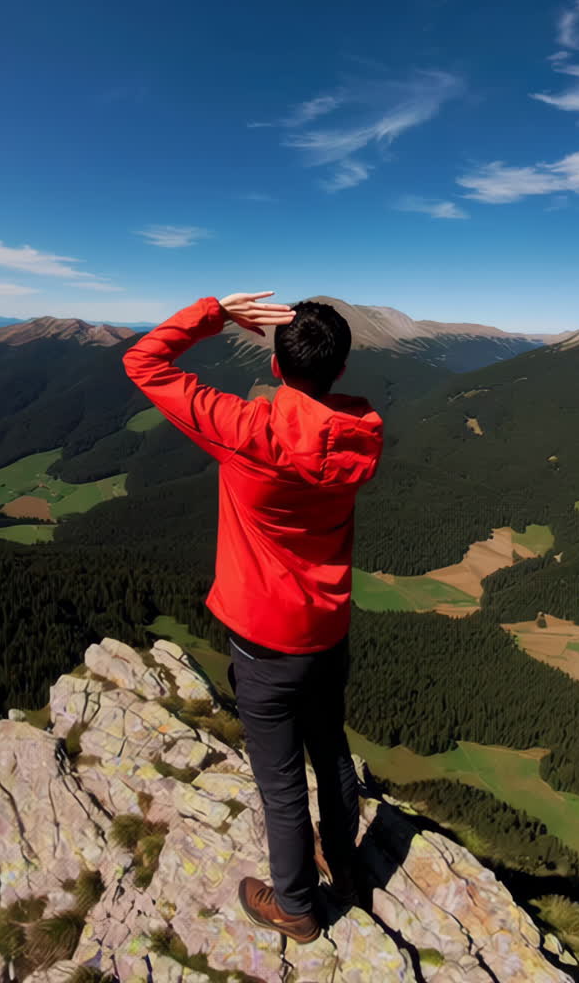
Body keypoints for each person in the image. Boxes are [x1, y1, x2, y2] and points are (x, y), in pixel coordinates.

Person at [122, 290, 383, 943]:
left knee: (280, 782)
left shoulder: (246, 430)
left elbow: (143, 362)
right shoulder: (362, 434)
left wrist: (215, 314)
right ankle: (344, 869)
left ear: (274, 367)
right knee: (332, 752)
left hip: (266, 642)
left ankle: (296, 908)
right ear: (342, 370)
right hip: (329, 631)